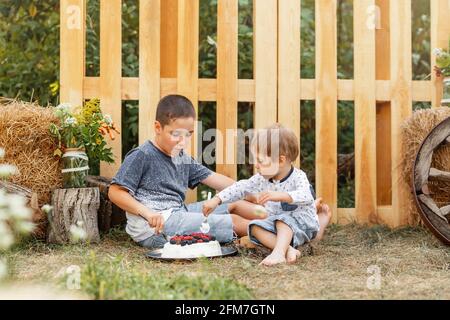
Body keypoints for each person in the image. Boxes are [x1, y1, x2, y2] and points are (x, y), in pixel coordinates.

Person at [203, 124, 322, 266]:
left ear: (280, 160)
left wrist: (281, 195)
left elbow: (306, 195)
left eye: (260, 160)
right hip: (277, 225)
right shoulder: (262, 178)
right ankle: (289, 249)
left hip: (302, 225)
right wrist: (217, 199)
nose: (256, 166)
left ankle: (278, 253)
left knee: (282, 220)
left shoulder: (298, 176)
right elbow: (241, 187)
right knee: (254, 227)